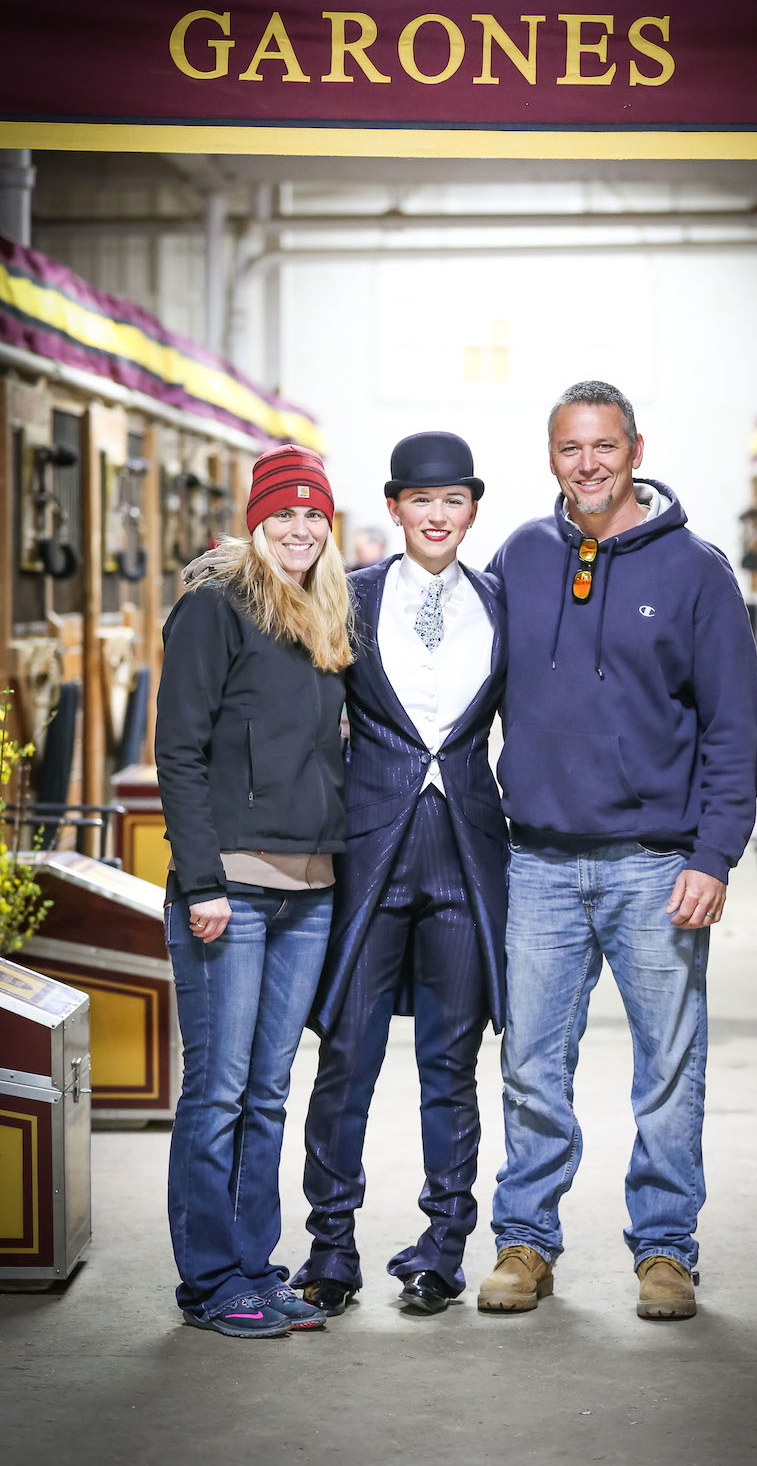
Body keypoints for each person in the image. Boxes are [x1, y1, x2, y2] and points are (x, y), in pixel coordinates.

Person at [477, 380, 757, 1321]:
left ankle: (665, 1253)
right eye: (571, 448)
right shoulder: (520, 557)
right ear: (551, 456)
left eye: (605, 446)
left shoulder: (696, 571)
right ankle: (525, 1243)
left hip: (656, 864)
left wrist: (713, 855)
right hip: (542, 864)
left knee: (669, 1066)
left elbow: (736, 729)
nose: (589, 463)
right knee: (531, 1064)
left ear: (635, 449)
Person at [292, 431, 507, 1317]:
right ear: (393, 507)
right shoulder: (352, 597)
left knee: (450, 1063)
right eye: (422, 501)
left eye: (454, 500)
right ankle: (330, 1247)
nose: (438, 515)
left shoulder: (502, 601)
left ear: (471, 508)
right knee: (347, 1056)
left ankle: (442, 1248)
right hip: (368, 849)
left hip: (463, 851)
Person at [155, 443, 353, 1339]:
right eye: (284, 513)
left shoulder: (324, 612)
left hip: (308, 889)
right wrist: (200, 881)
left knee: (269, 1089)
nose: (301, 527)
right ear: (256, 520)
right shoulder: (214, 608)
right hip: (228, 891)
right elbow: (180, 752)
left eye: (314, 513)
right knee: (219, 1089)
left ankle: (254, 1267)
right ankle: (208, 1279)